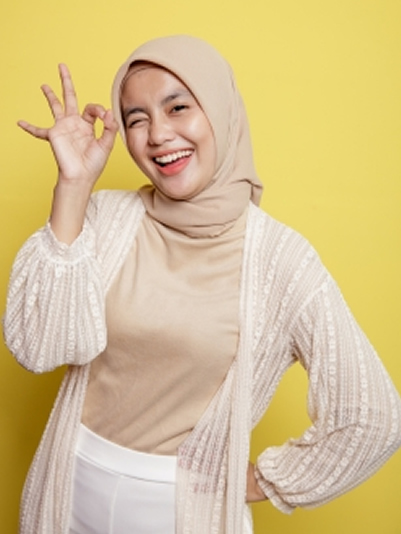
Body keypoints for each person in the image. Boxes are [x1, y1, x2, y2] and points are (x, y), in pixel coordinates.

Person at [3, 35, 401, 534]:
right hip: (69, 489)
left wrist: (263, 481)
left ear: (220, 110)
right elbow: (39, 348)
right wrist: (73, 187)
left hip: (182, 513)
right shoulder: (107, 217)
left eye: (177, 108)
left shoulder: (280, 260)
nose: (158, 134)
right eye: (137, 119)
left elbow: (372, 418)